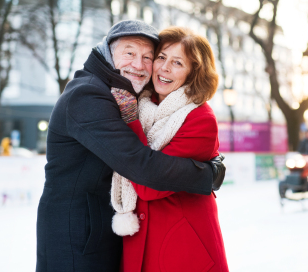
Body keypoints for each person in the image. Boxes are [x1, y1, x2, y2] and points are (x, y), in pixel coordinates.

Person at [36, 20, 225, 272]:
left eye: (148, 56)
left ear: (193, 72)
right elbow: (139, 164)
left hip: (160, 241)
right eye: (129, 53)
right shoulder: (90, 95)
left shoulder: (130, 98)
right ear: (108, 52)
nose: (139, 64)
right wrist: (206, 175)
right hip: (77, 236)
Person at [112, 27, 229, 272]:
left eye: (177, 63)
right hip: (142, 242)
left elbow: (149, 184)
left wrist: (130, 119)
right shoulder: (144, 103)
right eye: (161, 57)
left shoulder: (199, 119)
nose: (164, 68)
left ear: (193, 73)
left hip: (182, 249)